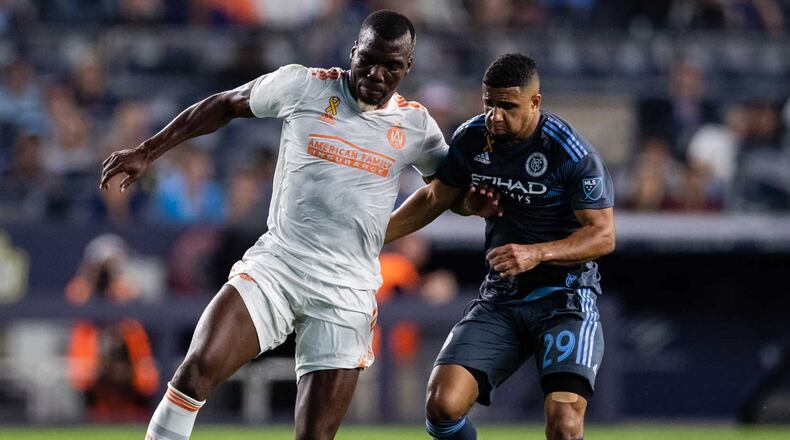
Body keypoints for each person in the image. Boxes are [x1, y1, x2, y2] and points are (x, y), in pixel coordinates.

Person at [100, 10, 450, 440]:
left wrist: (390, 230)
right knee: (194, 373)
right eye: (368, 60)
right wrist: (149, 150)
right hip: (278, 267)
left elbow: (446, 192)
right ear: (353, 51)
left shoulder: (418, 127)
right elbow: (225, 104)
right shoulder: (305, 85)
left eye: (391, 66)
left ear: (407, 66)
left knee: (314, 435)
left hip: (347, 291)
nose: (376, 74)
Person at [385, 53, 616, 440]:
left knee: (563, 422)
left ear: (535, 103)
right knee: (441, 406)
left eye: (507, 106)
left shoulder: (571, 153)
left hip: (565, 299)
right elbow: (435, 199)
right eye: (489, 103)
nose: (495, 115)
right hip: (502, 300)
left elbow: (603, 235)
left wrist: (536, 252)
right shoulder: (473, 137)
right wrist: (369, 237)